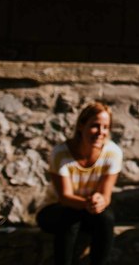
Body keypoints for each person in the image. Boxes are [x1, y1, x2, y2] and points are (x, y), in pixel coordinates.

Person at [36, 101, 122, 265]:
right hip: (56, 210)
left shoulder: (113, 153)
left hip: (89, 211)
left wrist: (99, 201)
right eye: (95, 126)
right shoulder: (61, 153)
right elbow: (65, 197)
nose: (100, 132)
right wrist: (88, 203)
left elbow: (106, 196)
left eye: (105, 127)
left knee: (106, 218)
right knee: (70, 217)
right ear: (81, 126)